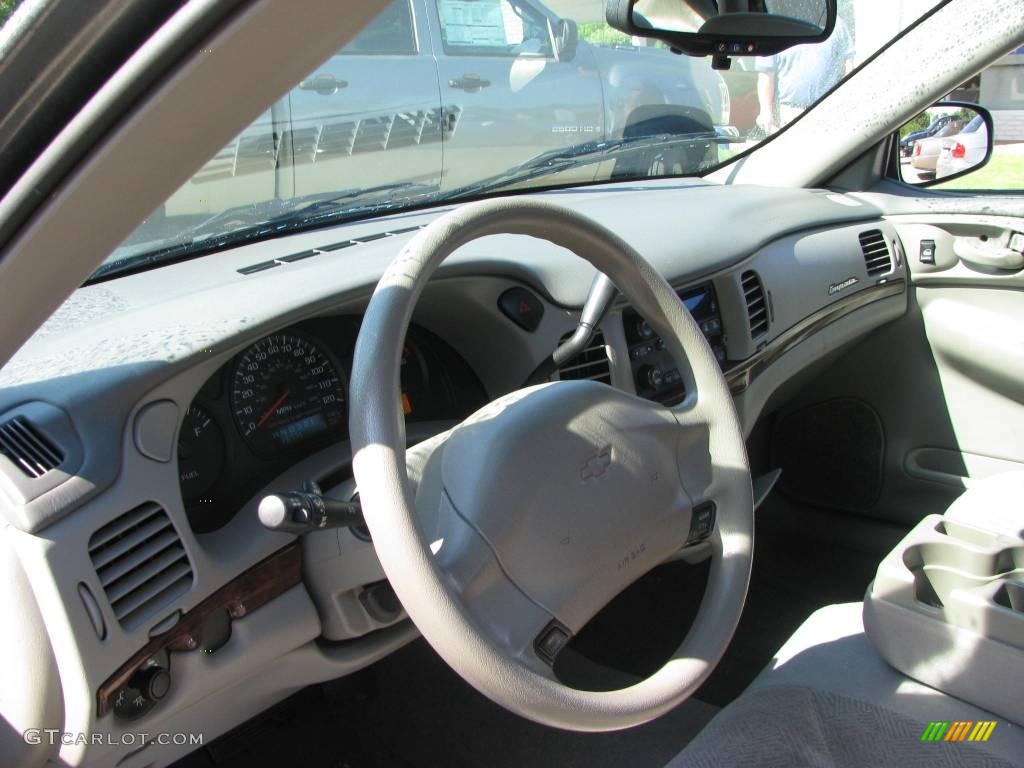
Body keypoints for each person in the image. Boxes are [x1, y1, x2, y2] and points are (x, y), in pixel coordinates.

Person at [755, 13, 855, 134]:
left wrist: (848, 104)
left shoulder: (834, 23)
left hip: (829, 111)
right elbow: (766, 75)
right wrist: (765, 111)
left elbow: (849, 64)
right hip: (792, 113)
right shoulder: (775, 24)